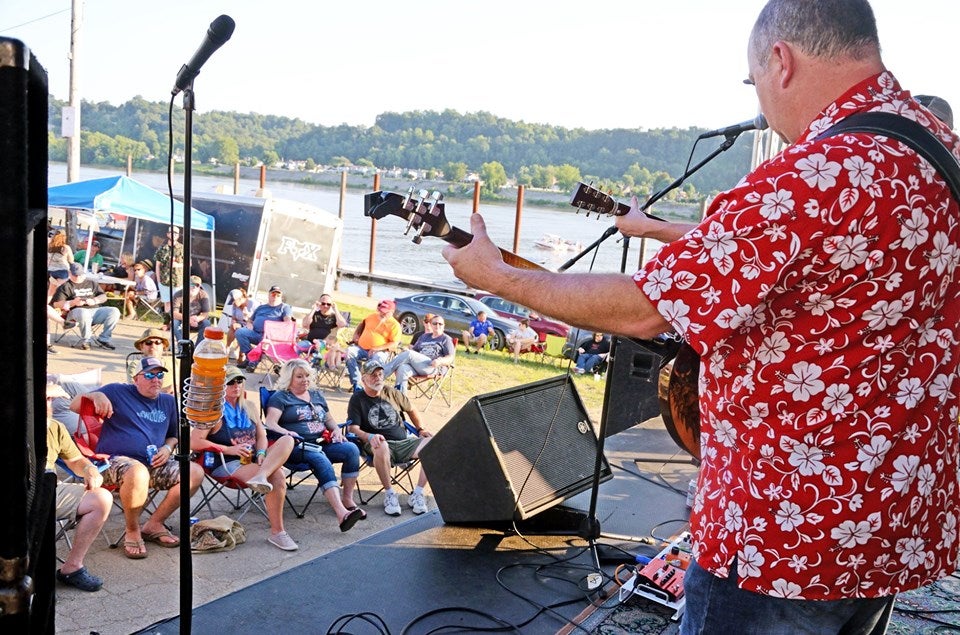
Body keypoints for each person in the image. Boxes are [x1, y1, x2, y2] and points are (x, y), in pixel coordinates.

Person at [440, 1, 960, 631]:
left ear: (781, 61)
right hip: (889, 525)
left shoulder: (815, 176)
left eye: (754, 83)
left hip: (783, 540)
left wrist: (497, 277)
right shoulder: (938, 151)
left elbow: (644, 311)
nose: (763, 101)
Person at [69, 357, 204, 558]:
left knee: (194, 472)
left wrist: (167, 448)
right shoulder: (117, 391)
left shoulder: (168, 401)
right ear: (136, 379)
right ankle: (132, 530)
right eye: (149, 374)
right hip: (112, 462)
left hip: (153, 463)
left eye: (160, 374)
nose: (155, 379)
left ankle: (154, 523)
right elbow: (74, 406)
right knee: (137, 472)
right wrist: (94, 395)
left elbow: (174, 436)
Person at [190, 366, 299, 551]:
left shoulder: (249, 406)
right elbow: (194, 441)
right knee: (278, 475)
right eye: (230, 382)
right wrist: (229, 449)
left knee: (288, 439)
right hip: (226, 463)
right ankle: (278, 533)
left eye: (239, 381)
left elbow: (261, 436)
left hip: (253, 460)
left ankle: (261, 476)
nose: (235, 385)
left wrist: (262, 454)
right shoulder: (213, 410)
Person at [262, 358, 364, 532]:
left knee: (351, 449)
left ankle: (347, 499)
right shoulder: (281, 397)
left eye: (307, 375)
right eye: (299, 376)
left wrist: (336, 431)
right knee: (319, 457)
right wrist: (287, 433)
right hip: (295, 447)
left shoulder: (316, 395)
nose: (305, 380)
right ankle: (341, 514)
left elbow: (328, 419)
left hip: (321, 442)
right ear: (289, 379)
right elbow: (270, 423)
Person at [45, 382, 112, 592]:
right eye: (44, 398)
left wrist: (89, 469)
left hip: (49, 491)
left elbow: (75, 460)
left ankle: (72, 567)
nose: (48, 404)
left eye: (50, 399)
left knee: (101, 499)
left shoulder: (55, 427)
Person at [347, 359, 432, 517]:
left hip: (403, 443)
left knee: (433, 443)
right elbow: (353, 428)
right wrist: (369, 436)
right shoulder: (357, 399)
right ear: (363, 379)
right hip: (375, 445)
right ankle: (390, 494)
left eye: (380, 374)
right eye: (373, 375)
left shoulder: (392, 393)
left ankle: (418, 494)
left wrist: (421, 429)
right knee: (382, 444)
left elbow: (412, 410)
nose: (378, 378)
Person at [50, 262, 120, 351]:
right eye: (75, 275)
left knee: (114, 311)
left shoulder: (92, 283)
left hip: (95, 310)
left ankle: (104, 339)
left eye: (80, 275)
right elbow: (56, 304)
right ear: (70, 273)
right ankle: (86, 340)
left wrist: (95, 300)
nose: (78, 277)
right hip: (75, 313)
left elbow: (104, 296)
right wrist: (73, 302)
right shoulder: (65, 286)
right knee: (83, 312)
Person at [381, 315, 455, 392]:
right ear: (431, 325)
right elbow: (414, 350)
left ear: (444, 326)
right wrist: (407, 349)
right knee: (402, 368)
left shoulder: (446, 339)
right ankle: (401, 398)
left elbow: (450, 357)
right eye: (435, 323)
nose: (437, 325)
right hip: (419, 365)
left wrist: (440, 361)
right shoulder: (424, 337)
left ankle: (382, 374)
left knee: (409, 354)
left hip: (433, 367)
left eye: (440, 324)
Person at [344, 299, 401, 391]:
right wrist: (355, 336)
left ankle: (372, 387)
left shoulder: (395, 325)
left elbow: (394, 343)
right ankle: (356, 383)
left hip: (380, 351)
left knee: (378, 360)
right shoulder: (372, 316)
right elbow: (361, 326)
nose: (382, 314)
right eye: (381, 311)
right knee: (349, 352)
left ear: (392, 312)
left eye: (385, 312)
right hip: (361, 348)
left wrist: (377, 348)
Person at [235, 286, 293, 369]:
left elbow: (287, 322)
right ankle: (250, 356)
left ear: (281, 296)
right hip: (255, 333)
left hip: (271, 337)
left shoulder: (284, 307)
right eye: (273, 294)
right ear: (269, 295)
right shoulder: (261, 307)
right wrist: (249, 325)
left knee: (263, 341)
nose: (275, 296)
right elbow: (250, 321)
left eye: (278, 295)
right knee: (240, 332)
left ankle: (252, 362)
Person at [126, 328, 175, 394]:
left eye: (158, 342)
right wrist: (164, 391)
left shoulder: (174, 362)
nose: (153, 346)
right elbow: (135, 392)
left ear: (163, 346)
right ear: (141, 346)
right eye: (148, 342)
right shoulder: (136, 365)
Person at [300, 293, 348, 360]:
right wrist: (314, 309)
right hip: (309, 343)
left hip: (326, 345)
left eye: (328, 304)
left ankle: (313, 363)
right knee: (298, 346)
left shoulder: (334, 317)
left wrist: (336, 309)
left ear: (331, 305)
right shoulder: (314, 314)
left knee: (318, 352)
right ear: (319, 304)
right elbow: (304, 324)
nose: (325, 306)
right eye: (323, 303)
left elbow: (342, 324)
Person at [219, 288, 257, 363]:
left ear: (241, 298)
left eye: (234, 301)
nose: (233, 303)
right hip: (240, 324)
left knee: (240, 331)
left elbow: (257, 320)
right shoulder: (235, 306)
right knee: (233, 327)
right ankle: (228, 348)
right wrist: (234, 322)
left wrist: (248, 316)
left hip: (251, 326)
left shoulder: (253, 304)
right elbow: (234, 317)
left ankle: (241, 353)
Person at [171, 275, 211, 345]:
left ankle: (197, 348)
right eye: (191, 284)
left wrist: (197, 319)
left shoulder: (203, 295)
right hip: (182, 321)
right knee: (174, 323)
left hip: (196, 321)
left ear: (199, 287)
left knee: (207, 323)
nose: (194, 287)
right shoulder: (178, 295)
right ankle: (183, 347)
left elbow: (206, 313)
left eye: (197, 285)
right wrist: (188, 319)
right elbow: (174, 313)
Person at [153, 226, 184, 315]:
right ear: (167, 234)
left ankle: (174, 323)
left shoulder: (182, 248)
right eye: (171, 232)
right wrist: (158, 280)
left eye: (176, 233)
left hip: (178, 281)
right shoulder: (162, 248)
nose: (173, 234)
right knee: (167, 303)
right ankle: (167, 321)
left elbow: (188, 264)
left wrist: (177, 265)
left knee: (176, 303)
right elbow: (157, 265)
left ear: (178, 236)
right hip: (164, 280)